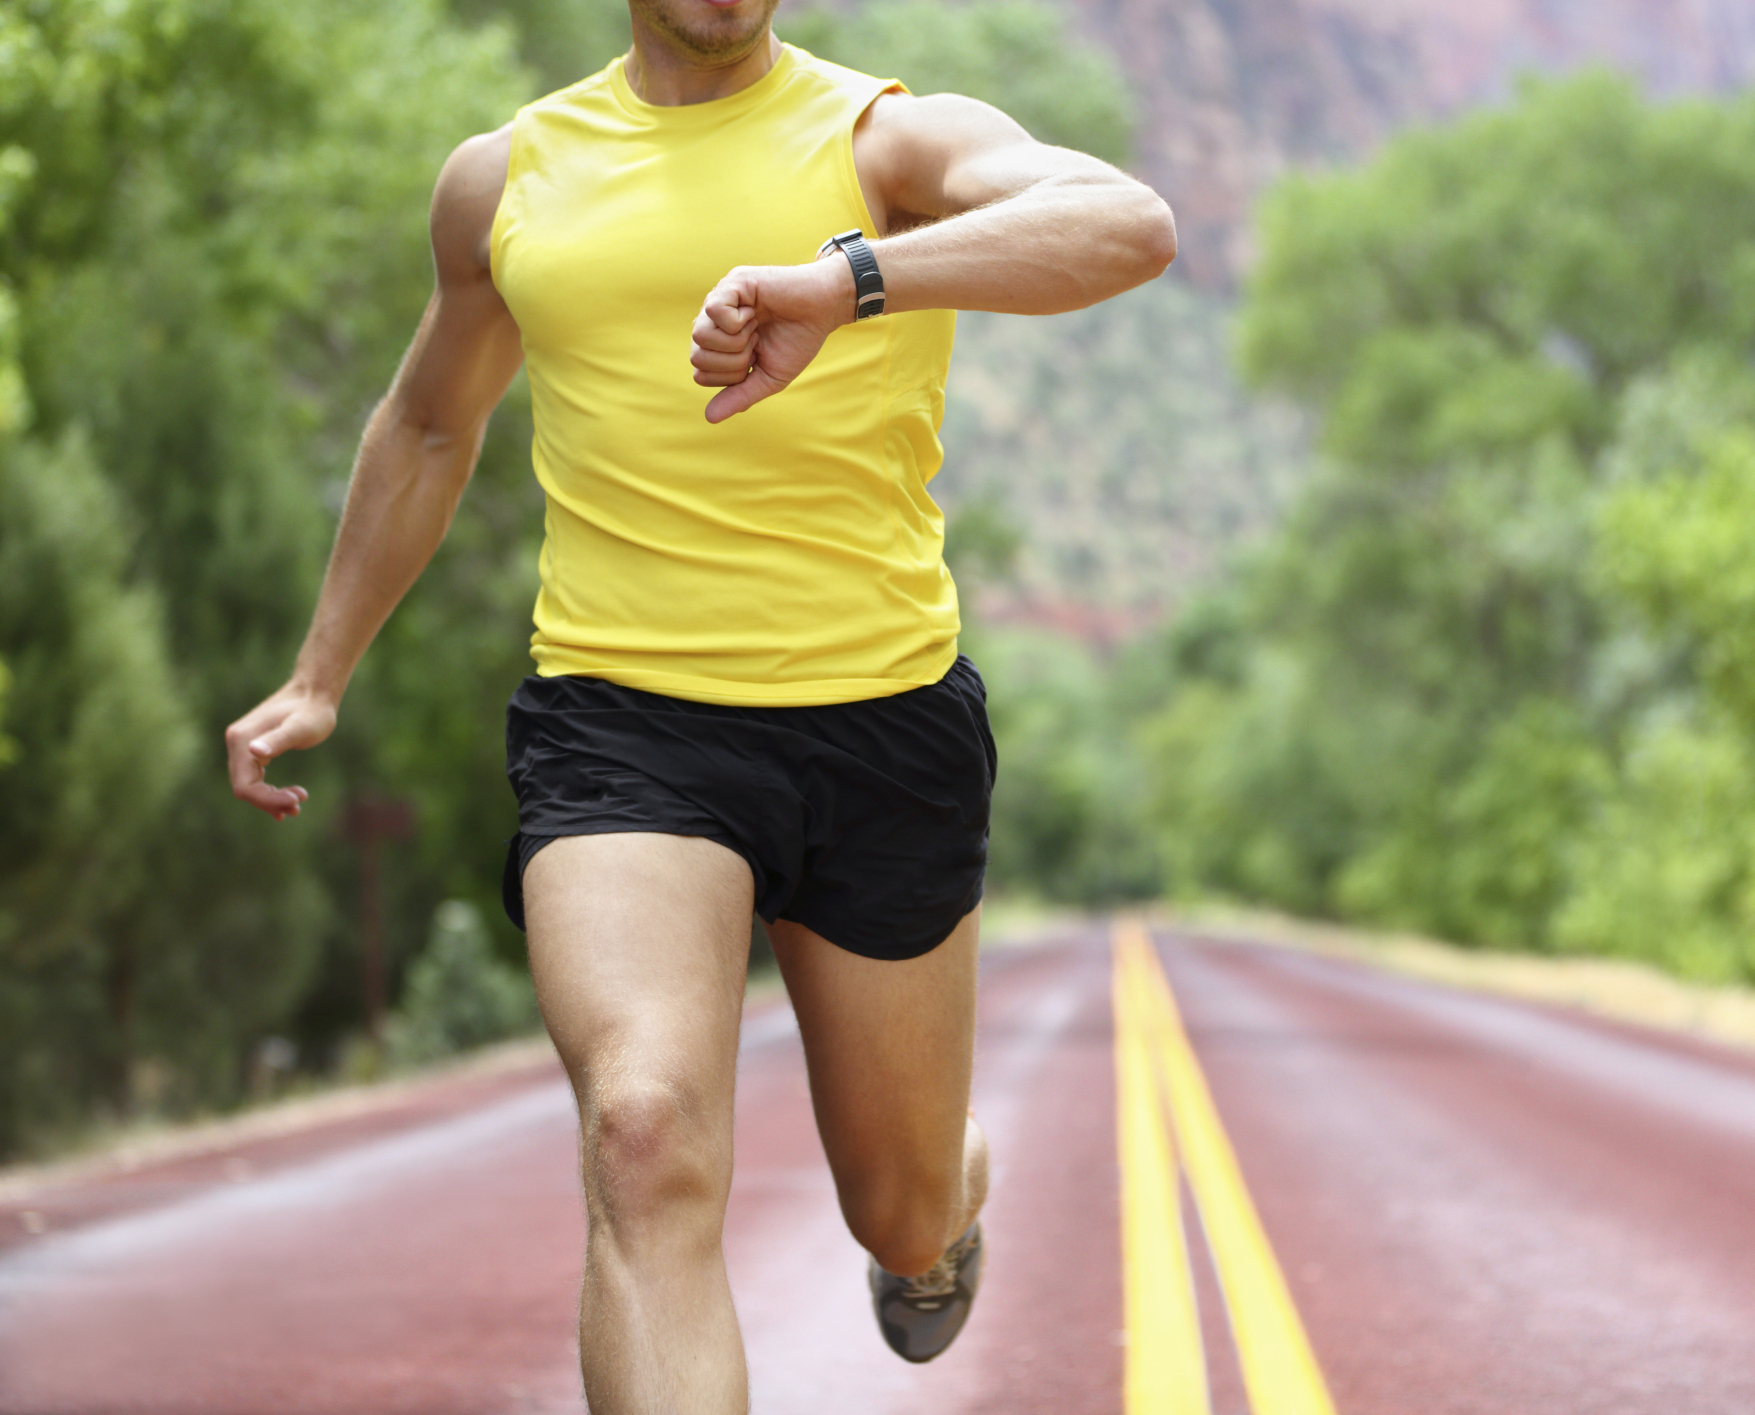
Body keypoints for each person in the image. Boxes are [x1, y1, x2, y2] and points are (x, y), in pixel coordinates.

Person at [222, 0, 1175, 1407]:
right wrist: (319, 671)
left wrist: (849, 280)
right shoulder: (509, 176)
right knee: (643, 1132)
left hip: (881, 717)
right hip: (623, 724)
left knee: (898, 1211)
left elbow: (1127, 226)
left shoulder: (887, 137)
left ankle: (945, 1196)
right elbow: (432, 419)